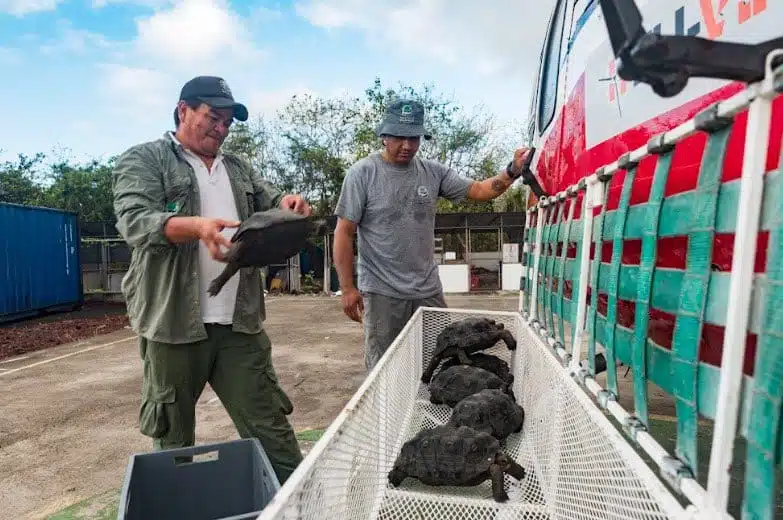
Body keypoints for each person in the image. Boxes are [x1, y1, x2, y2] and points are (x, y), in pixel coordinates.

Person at [112, 75, 310, 484]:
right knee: (174, 443)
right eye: (212, 117)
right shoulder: (144, 160)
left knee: (270, 428)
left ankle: (301, 505)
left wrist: (289, 204)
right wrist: (197, 227)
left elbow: (273, 200)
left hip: (239, 323)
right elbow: (135, 222)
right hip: (173, 325)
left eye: (227, 123)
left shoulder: (237, 168)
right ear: (183, 110)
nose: (220, 129)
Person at [333, 99, 532, 370]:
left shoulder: (432, 173)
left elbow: (481, 191)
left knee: (440, 361)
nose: (407, 146)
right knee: (385, 369)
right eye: (399, 137)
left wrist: (513, 170)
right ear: (384, 136)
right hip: (382, 293)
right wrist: (347, 288)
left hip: (427, 291)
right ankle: (387, 414)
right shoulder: (362, 174)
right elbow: (344, 232)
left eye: (413, 138)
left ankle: (425, 412)